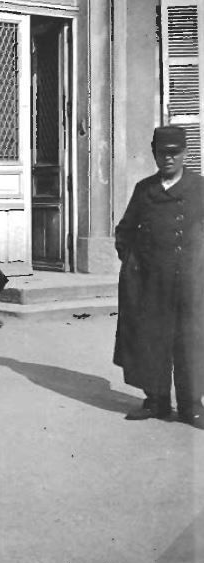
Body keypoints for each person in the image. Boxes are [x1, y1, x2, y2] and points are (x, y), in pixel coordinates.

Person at [114, 126, 204, 426]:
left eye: (173, 153)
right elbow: (124, 230)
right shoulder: (144, 189)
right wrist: (132, 263)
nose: (167, 159)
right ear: (154, 154)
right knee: (152, 340)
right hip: (151, 282)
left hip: (191, 281)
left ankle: (192, 406)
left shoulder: (199, 188)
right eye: (161, 153)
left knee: (190, 342)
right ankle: (157, 401)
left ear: (185, 154)